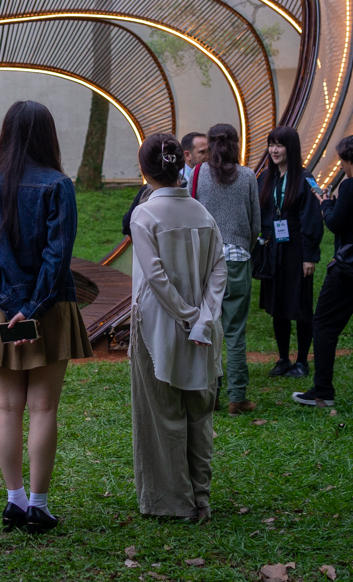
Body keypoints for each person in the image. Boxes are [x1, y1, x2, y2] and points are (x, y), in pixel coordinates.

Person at [0, 101, 93, 534]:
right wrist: (32, 307)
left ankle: (14, 501)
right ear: (48, 136)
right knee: (42, 407)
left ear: (5, 135)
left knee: (6, 406)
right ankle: (38, 505)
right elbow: (59, 253)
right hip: (50, 308)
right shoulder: (59, 186)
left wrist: (9, 303)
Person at [127, 133, 226, 522]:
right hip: (203, 327)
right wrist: (204, 314)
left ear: (144, 171)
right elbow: (220, 267)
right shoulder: (203, 213)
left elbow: (153, 275)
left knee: (161, 412)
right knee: (199, 414)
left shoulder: (145, 214)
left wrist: (185, 315)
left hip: (157, 326)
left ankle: (170, 501)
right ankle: (200, 497)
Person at [293, 134, 353, 407]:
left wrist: (325, 203)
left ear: (347, 160)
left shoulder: (351, 187)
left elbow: (335, 224)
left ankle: (322, 390)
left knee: (324, 324)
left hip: (351, 268)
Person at [188, 123, 260, 415]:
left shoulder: (198, 174)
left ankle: (211, 394)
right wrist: (245, 247)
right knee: (235, 333)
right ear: (236, 143)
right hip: (239, 259)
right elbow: (256, 224)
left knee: (209, 328)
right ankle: (237, 397)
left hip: (207, 261)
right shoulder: (248, 176)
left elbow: (191, 214)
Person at [257, 126, 323, 379]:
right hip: (274, 249)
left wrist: (310, 256)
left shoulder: (305, 179)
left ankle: (302, 362)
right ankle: (283, 358)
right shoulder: (266, 178)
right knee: (278, 305)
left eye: (280, 145)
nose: (274, 150)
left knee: (301, 305)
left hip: (297, 249)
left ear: (291, 148)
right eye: (271, 144)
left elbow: (312, 219)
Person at [123, 130, 206, 235]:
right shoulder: (203, 212)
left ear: (144, 171)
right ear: (181, 164)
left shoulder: (142, 216)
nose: (208, 156)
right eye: (202, 152)